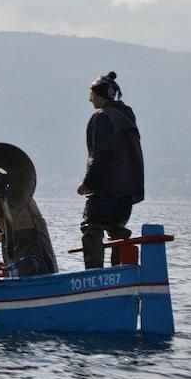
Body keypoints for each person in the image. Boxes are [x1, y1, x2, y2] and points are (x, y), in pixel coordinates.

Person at [78, 71, 144, 268]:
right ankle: (121, 274)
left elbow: (100, 154)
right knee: (118, 230)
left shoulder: (101, 117)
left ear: (99, 95)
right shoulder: (126, 118)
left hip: (105, 190)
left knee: (92, 229)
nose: (90, 99)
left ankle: (94, 278)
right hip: (127, 192)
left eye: (91, 95)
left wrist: (87, 183)